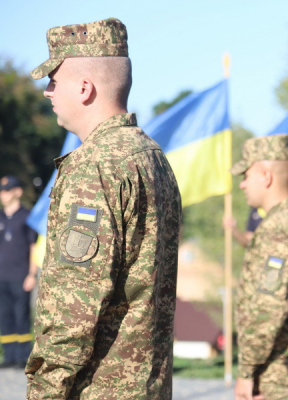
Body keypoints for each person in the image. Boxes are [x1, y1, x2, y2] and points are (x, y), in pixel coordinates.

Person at [27, 18, 182, 398]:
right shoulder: (152, 158)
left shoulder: (94, 167)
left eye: (54, 80)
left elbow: (72, 312)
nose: (48, 92)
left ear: (84, 88)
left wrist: (44, 391)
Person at [231, 134, 288, 400]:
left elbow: (268, 308)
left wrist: (248, 369)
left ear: (267, 176)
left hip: (276, 373)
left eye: (246, 175)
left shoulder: (279, 230)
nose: (243, 185)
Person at [0, 176, 38, 369]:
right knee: (4, 315)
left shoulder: (27, 216)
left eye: (7, 190)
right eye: (2, 191)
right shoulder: (0, 216)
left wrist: (32, 274)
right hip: (2, 275)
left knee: (21, 314)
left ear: (18, 192)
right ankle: (9, 355)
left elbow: (34, 247)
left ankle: (23, 355)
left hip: (21, 275)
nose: (3, 194)